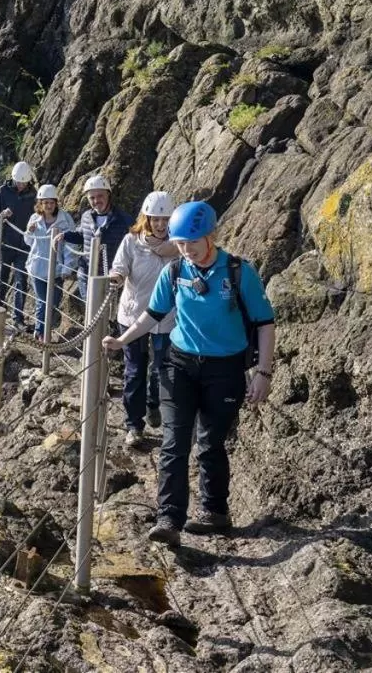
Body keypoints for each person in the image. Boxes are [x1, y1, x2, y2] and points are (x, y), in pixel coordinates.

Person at [102, 201, 276, 547]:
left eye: (193, 241)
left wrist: (264, 372)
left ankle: (215, 512)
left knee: (210, 442)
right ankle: (170, 517)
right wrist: (122, 340)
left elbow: (265, 323)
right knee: (174, 441)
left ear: (211, 235)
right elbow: (153, 314)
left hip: (225, 369)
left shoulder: (240, 271)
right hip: (180, 364)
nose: (187, 249)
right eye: (181, 243)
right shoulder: (176, 271)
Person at [108, 191, 178, 449]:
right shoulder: (131, 242)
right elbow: (119, 266)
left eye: (165, 219)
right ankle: (134, 425)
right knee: (135, 370)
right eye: (155, 219)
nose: (160, 225)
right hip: (134, 315)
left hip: (166, 319)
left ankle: (153, 404)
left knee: (162, 368)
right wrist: (115, 277)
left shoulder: (180, 246)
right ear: (146, 219)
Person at [64, 174, 133, 301]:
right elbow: (81, 235)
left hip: (111, 277)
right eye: (92, 198)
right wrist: (63, 236)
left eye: (100, 196)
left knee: (104, 316)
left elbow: (134, 244)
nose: (96, 201)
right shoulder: (86, 216)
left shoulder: (123, 219)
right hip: (86, 275)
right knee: (91, 313)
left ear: (108, 194)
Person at [0, 162, 37, 329]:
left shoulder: (33, 194)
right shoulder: (2, 191)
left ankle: (18, 319)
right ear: (13, 179)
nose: (21, 185)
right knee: (2, 278)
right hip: (5, 243)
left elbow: (39, 214)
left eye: (25, 183)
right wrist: (0, 215)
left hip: (24, 245)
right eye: (19, 182)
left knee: (21, 280)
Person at [23, 184, 76, 341]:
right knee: (42, 301)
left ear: (56, 202)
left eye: (51, 202)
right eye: (45, 202)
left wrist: (68, 267)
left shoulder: (65, 219)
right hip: (38, 267)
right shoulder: (34, 219)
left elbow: (71, 245)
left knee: (52, 302)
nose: (48, 205)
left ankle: (46, 330)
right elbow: (28, 242)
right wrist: (29, 231)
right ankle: (41, 334)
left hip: (56, 269)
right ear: (40, 203)